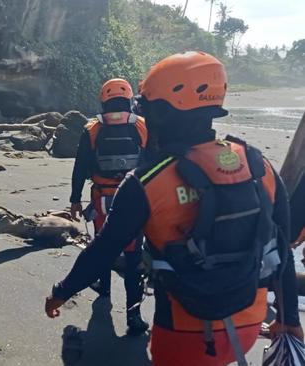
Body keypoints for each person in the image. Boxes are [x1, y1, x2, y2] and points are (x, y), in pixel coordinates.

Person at [46, 51, 302, 366]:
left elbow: (103, 249)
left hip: (184, 336)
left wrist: (61, 291)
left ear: (165, 113)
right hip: (249, 324)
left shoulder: (145, 182)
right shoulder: (257, 164)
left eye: (149, 110)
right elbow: (283, 248)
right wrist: (290, 319)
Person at [69, 78, 149, 336]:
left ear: (103, 99)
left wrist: (74, 199)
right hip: (136, 197)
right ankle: (134, 316)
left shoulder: (92, 128)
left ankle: (103, 288)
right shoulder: (141, 125)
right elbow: (153, 163)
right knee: (134, 254)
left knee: (103, 244)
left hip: (101, 197)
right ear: (129, 98)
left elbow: (80, 166)